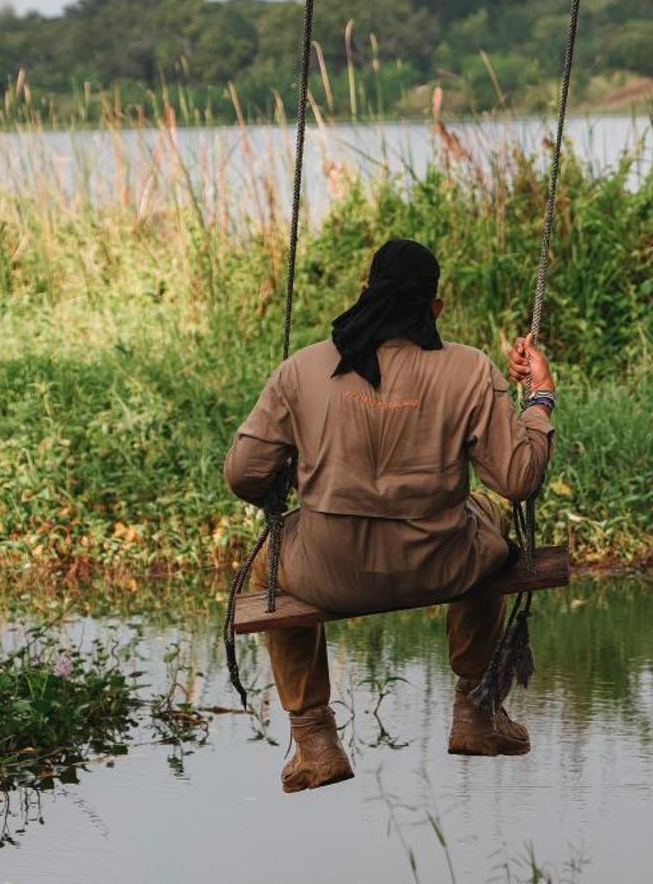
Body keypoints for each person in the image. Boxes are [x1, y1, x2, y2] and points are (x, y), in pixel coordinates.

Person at [223, 237, 558, 794]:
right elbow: (518, 481)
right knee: (492, 527)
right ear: (435, 309)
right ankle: (475, 711)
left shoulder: (302, 369)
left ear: (364, 295)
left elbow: (242, 474)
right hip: (442, 563)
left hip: (327, 573)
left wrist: (291, 468)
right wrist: (539, 397)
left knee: (269, 567)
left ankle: (314, 739)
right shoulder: (469, 370)